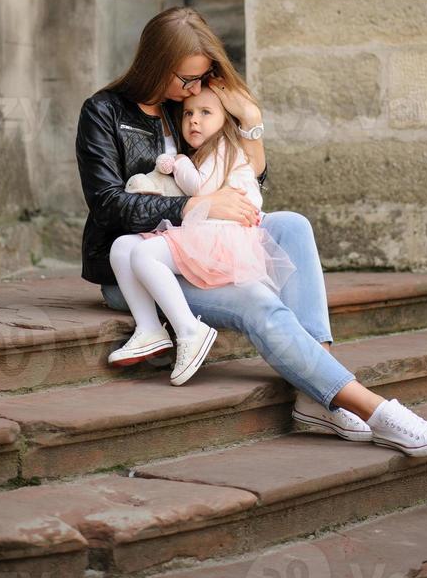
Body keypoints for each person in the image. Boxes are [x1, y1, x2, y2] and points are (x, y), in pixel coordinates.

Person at [76, 6, 427, 458]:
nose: (193, 92)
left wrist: (251, 119)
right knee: (258, 301)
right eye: (186, 81)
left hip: (204, 241)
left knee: (292, 225)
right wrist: (193, 204)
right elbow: (107, 206)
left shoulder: (188, 106)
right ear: (156, 65)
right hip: (139, 265)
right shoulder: (103, 111)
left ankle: (316, 393)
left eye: (200, 81)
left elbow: (246, 178)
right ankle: (373, 409)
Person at [106, 85, 297, 386]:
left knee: (145, 254)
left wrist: (180, 163)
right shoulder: (206, 151)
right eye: (189, 114)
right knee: (121, 247)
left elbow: (201, 190)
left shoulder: (225, 147)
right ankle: (149, 329)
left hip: (222, 239)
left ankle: (190, 332)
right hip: (203, 231)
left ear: (226, 121)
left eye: (205, 113)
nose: (194, 120)